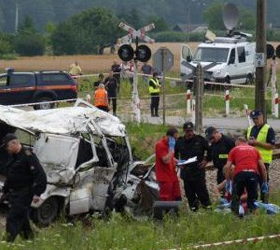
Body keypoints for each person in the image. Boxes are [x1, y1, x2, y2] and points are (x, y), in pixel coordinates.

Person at [0, 133, 47, 242]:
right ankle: (30, 240)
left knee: (13, 217)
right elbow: (11, 176)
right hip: (14, 193)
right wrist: (4, 191)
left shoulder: (28, 156)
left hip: (24, 194)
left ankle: (7, 243)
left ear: (14, 143)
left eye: (7, 146)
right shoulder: (13, 157)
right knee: (22, 219)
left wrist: (37, 193)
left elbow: (40, 175)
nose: (6, 149)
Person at [223, 137, 268, 215]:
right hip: (253, 174)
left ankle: (236, 221)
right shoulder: (255, 150)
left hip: (240, 174)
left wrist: (228, 182)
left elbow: (227, 167)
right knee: (253, 201)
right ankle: (255, 221)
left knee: (235, 199)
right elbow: (263, 168)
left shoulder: (234, 150)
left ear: (237, 143)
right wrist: (265, 182)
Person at [174, 122, 211, 212]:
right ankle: (194, 210)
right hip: (186, 172)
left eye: (191, 131)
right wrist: (179, 163)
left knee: (202, 192)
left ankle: (208, 209)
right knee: (189, 193)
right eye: (187, 131)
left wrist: (206, 160)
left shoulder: (200, 140)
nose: (189, 133)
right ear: (184, 131)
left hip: (198, 171)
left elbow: (210, 151)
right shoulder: (180, 141)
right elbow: (174, 156)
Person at [246, 109, 275, 202]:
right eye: (253, 119)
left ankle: (265, 203)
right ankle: (253, 204)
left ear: (262, 117)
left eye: (257, 118)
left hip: (263, 161)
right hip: (251, 160)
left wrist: (257, 142)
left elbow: (271, 146)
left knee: (263, 182)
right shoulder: (250, 129)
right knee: (251, 182)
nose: (255, 120)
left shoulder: (268, 129)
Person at [155, 127, 181, 201]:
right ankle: (166, 210)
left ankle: (176, 210)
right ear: (169, 137)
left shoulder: (169, 145)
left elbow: (171, 158)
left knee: (177, 194)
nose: (176, 140)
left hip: (172, 174)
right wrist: (171, 150)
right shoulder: (160, 145)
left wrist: (179, 161)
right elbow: (165, 160)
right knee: (166, 197)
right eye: (174, 138)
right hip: (164, 176)